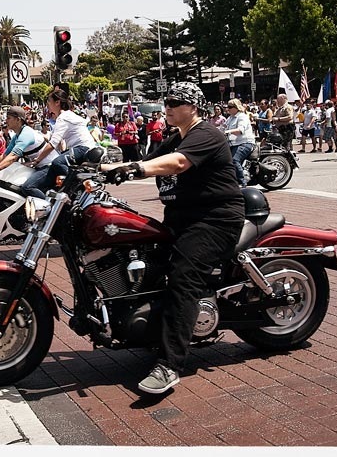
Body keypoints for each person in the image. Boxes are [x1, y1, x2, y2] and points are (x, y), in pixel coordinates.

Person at [101, 82, 244, 395]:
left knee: (183, 279)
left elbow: (176, 163)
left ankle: (169, 365)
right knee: (147, 263)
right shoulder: (174, 137)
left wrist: (134, 168)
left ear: (192, 107)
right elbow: (150, 159)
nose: (166, 107)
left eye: (174, 102)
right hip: (182, 218)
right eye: (165, 102)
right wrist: (99, 168)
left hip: (214, 220)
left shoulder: (206, 134)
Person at [26, 88, 97, 198]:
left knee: (57, 163)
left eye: (49, 101)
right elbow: (56, 142)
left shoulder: (63, 117)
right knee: (60, 160)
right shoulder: (66, 115)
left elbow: (53, 143)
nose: (47, 104)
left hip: (83, 147)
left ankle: (74, 186)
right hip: (83, 147)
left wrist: (38, 159)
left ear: (57, 102)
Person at [0, 106, 59, 177]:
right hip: (39, 166)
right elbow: (5, 155)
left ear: (18, 119)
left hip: (49, 165)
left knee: (27, 187)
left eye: (8, 118)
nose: (5, 121)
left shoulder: (26, 134)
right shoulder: (17, 136)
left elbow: (13, 157)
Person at [222, 98, 256, 187]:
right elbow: (223, 127)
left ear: (236, 107)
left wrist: (227, 132)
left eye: (230, 107)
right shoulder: (230, 118)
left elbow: (240, 130)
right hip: (233, 143)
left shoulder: (242, 117)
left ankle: (242, 182)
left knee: (234, 160)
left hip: (245, 143)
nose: (227, 109)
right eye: (227, 107)